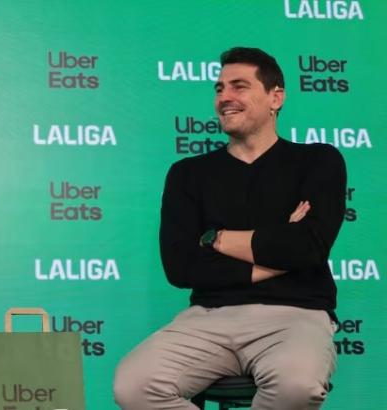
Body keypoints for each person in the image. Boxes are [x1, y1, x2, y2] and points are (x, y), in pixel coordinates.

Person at [113, 47, 346, 409]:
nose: (225, 97)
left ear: (275, 98)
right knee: (134, 385)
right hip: (208, 317)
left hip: (295, 315)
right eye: (220, 88)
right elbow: (180, 267)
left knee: (297, 387)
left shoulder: (318, 160)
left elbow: (308, 247)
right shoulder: (187, 174)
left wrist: (214, 240)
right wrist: (278, 251)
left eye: (239, 86)